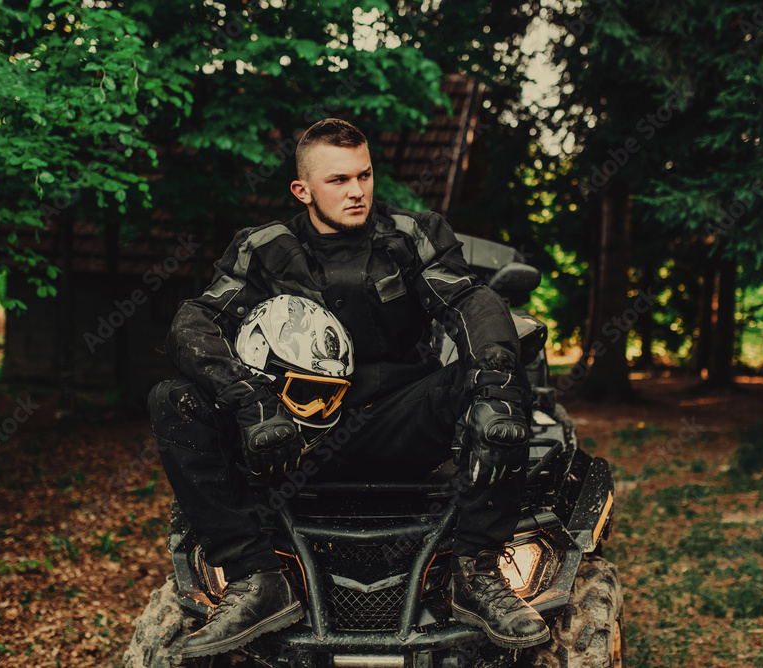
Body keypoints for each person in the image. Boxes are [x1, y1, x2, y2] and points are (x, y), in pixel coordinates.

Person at [147, 118, 548, 657]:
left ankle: (475, 572)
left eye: (364, 175)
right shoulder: (263, 248)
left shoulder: (411, 235)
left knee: (499, 384)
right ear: (303, 189)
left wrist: (496, 384)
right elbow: (193, 323)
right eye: (338, 180)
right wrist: (251, 403)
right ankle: (256, 577)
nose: (357, 191)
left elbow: (468, 302)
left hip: (397, 425)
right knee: (172, 398)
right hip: (294, 435)